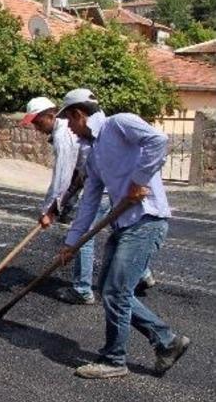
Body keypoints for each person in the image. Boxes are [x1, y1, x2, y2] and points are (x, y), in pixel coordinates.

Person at [55, 90, 189, 379]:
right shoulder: (94, 156)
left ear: (79, 114)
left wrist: (140, 180)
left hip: (146, 220)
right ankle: (167, 341)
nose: (68, 127)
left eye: (68, 119)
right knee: (110, 290)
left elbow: (158, 141)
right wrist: (70, 244)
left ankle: (114, 360)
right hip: (123, 225)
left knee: (117, 291)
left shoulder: (119, 124)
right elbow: (89, 203)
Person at [22, 94, 154, 305]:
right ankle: (142, 273)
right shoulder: (70, 129)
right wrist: (60, 204)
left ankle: (82, 289)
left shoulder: (65, 134)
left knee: (83, 235)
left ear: (49, 115)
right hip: (98, 185)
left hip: (98, 190)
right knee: (119, 232)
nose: (37, 128)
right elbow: (76, 174)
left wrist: (49, 209)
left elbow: (62, 177)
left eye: (38, 122)